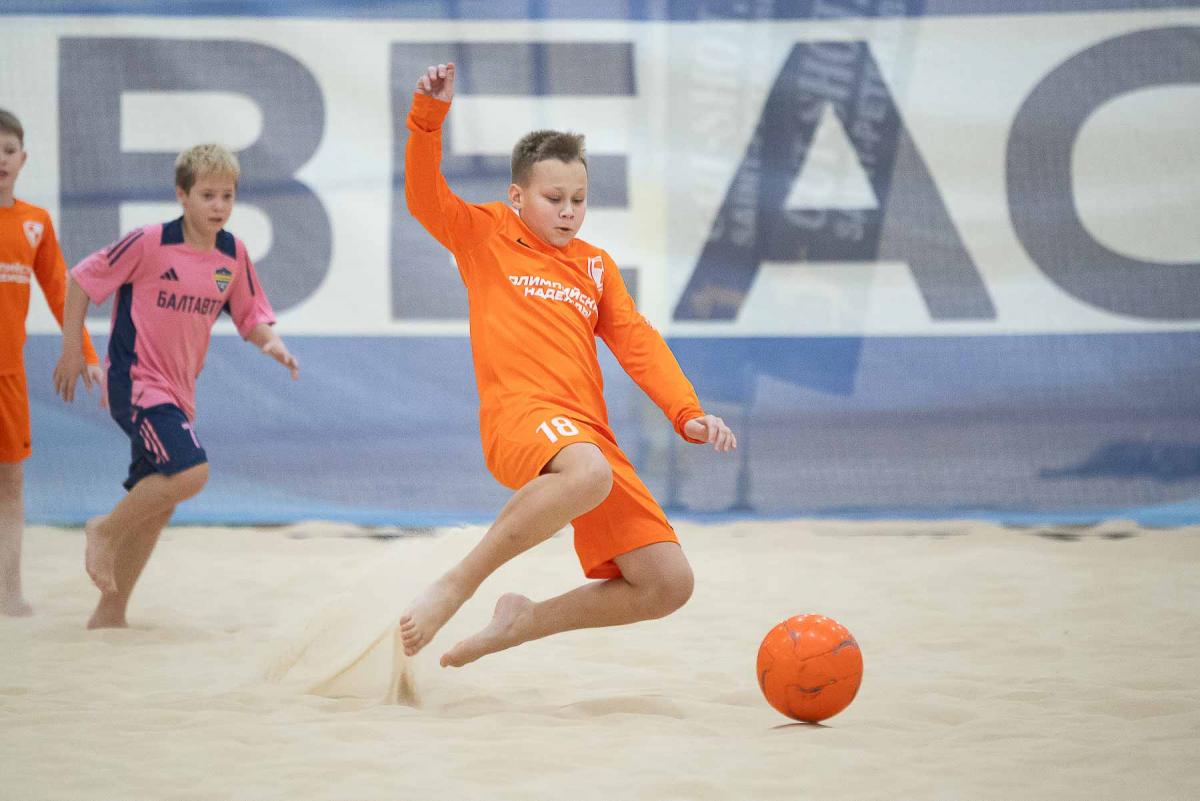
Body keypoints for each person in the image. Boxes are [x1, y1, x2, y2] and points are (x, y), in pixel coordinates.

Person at [400, 63, 736, 668]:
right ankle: (456, 585)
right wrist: (429, 117)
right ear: (517, 197)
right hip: (521, 418)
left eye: (579, 200)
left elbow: (637, 341)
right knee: (589, 471)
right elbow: (425, 197)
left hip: (587, 439)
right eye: (553, 199)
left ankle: (524, 621)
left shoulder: (595, 266)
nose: (568, 212)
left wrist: (686, 412)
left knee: (666, 583)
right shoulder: (486, 234)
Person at [53, 143, 299, 629]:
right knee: (191, 472)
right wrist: (73, 350)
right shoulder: (149, 242)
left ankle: (109, 614)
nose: (219, 206)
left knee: (158, 503)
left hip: (179, 392)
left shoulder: (232, 253)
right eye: (207, 195)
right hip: (136, 383)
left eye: (227, 196)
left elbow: (249, 315)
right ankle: (104, 530)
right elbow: (81, 280)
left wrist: (271, 342)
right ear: (182, 195)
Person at [0, 109, 103, 617]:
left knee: (11, 483)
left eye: (8, 150)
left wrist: (84, 352)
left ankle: (8, 592)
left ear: (23, 159)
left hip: (8, 377)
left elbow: (62, 290)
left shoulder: (35, 222)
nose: (0, 159)